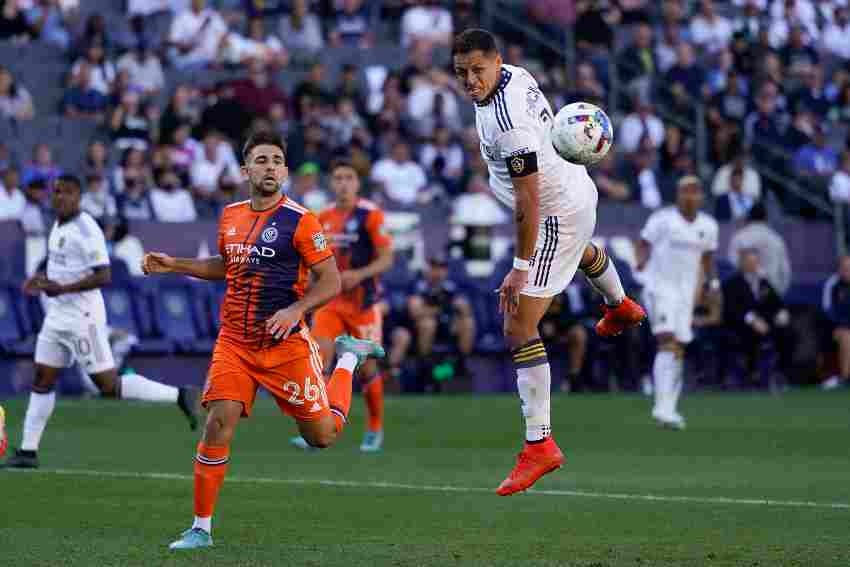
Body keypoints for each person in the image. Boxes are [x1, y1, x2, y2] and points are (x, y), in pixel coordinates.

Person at [141, 132, 384, 550]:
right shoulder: (230, 215)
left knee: (321, 436)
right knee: (219, 421)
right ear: (246, 170)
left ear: (285, 171)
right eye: (261, 160)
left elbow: (331, 280)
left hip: (285, 344)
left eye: (276, 160)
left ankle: (346, 362)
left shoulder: (302, 220)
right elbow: (227, 266)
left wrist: (296, 310)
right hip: (235, 341)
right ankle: (201, 528)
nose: (270, 166)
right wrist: (174, 264)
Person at [451, 29, 646, 496]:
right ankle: (619, 305)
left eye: (478, 70)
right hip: (576, 190)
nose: (471, 81)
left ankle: (539, 445)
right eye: (462, 73)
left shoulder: (509, 125)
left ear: (496, 62)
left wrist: (521, 264)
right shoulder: (516, 76)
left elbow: (527, 200)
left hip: (552, 212)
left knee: (518, 326)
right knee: (578, 251)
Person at [3, 175, 199, 470]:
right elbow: (63, 265)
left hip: (83, 318)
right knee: (43, 378)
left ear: (78, 197)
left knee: (108, 386)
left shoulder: (87, 229)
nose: (60, 198)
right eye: (56, 192)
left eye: (67, 193)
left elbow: (103, 275)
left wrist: (63, 289)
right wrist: (41, 279)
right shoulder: (57, 225)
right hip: (57, 316)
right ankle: (28, 452)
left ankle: (180, 395)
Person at [291, 161, 393, 452]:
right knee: (319, 361)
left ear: (357, 184)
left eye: (349, 177)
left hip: (364, 304)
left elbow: (387, 259)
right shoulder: (321, 218)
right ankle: (317, 428)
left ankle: (374, 428)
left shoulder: (371, 215)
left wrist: (358, 275)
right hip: (330, 303)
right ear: (331, 183)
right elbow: (313, 260)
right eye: (338, 178)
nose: (343, 183)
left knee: (368, 369)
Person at [638, 176, 719, 430]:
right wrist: (639, 266)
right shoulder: (662, 220)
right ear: (678, 195)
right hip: (660, 288)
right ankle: (662, 408)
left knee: (679, 347)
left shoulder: (708, 226)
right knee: (668, 341)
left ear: (701, 197)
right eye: (685, 191)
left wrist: (711, 285)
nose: (690, 196)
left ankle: (669, 408)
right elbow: (643, 244)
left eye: (695, 192)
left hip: (685, 294)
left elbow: (707, 259)